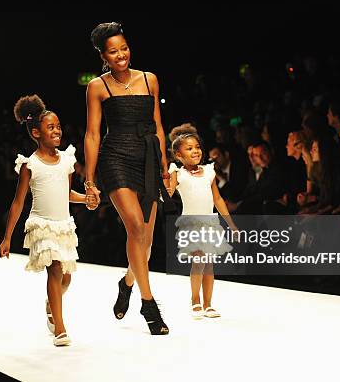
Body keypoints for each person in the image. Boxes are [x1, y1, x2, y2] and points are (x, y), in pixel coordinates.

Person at [84, 22, 173, 335]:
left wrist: (165, 166)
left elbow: (158, 126)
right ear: (103, 55)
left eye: (124, 48)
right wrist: (90, 178)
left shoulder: (150, 79)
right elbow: (93, 133)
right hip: (115, 158)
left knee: (145, 241)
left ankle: (127, 282)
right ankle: (149, 305)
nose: (120, 55)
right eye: (113, 51)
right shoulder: (98, 86)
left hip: (147, 159)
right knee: (135, 226)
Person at [0, 95, 92, 347]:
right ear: (36, 133)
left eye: (59, 126)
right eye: (51, 127)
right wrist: (7, 237)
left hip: (63, 225)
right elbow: (18, 202)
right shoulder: (30, 165)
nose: (58, 130)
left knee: (66, 277)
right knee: (55, 270)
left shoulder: (67, 161)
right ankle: (60, 328)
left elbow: (67, 193)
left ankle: (51, 303)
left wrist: (86, 199)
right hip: (42, 225)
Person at [166, 124, 237, 319]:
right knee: (198, 261)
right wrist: (168, 175)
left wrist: (230, 224)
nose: (195, 151)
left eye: (197, 147)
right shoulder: (178, 173)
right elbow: (169, 192)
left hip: (210, 223)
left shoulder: (209, 172)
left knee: (209, 265)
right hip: (191, 224)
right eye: (189, 148)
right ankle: (195, 300)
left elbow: (218, 199)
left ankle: (208, 304)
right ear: (178, 156)